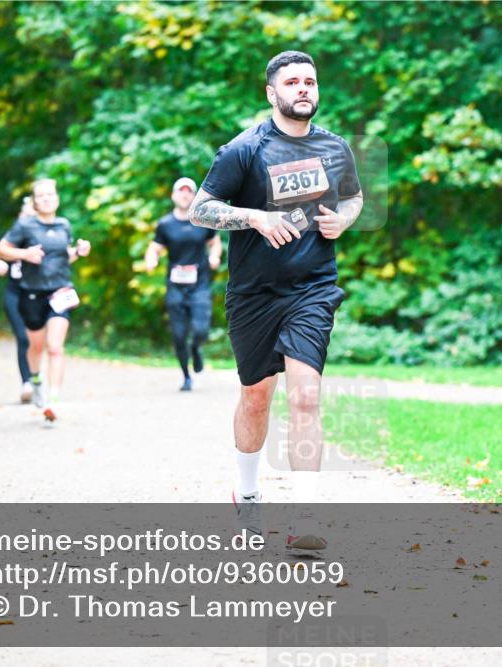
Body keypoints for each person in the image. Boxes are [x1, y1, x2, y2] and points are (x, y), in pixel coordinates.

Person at [189, 51, 364, 550]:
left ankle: (304, 517)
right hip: (253, 295)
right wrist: (255, 218)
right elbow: (201, 210)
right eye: (292, 82)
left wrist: (346, 218)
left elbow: (353, 197)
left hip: (312, 287)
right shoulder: (243, 150)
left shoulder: (335, 149)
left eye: (310, 81)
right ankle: (247, 494)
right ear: (272, 93)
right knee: (256, 396)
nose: (303, 88)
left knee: (306, 395)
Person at [0, 179, 91, 423]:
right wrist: (24, 254)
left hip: (60, 293)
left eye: (50, 194)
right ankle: (35, 379)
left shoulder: (64, 225)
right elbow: (0, 250)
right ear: (35, 202)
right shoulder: (25, 225)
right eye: (41, 195)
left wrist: (78, 252)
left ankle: (53, 400)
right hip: (31, 293)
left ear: (57, 198)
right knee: (35, 347)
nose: (47, 198)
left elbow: (62, 257)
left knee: (55, 347)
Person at [145, 177, 223, 391]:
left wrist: (214, 256)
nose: (185, 195)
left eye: (189, 192)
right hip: (176, 287)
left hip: (199, 286)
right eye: (181, 191)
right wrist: (151, 260)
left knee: (200, 330)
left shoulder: (202, 220)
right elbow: (154, 247)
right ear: (173, 195)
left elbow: (214, 243)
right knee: (179, 334)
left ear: (194, 196)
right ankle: (186, 376)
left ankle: (196, 348)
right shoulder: (165, 224)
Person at [0, 197, 37, 403]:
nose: (27, 218)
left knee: (37, 342)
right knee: (23, 338)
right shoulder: (13, 236)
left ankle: (37, 379)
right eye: (25, 214)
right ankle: (26, 382)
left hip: (38, 294)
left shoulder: (45, 236)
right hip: (14, 293)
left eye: (31, 214)